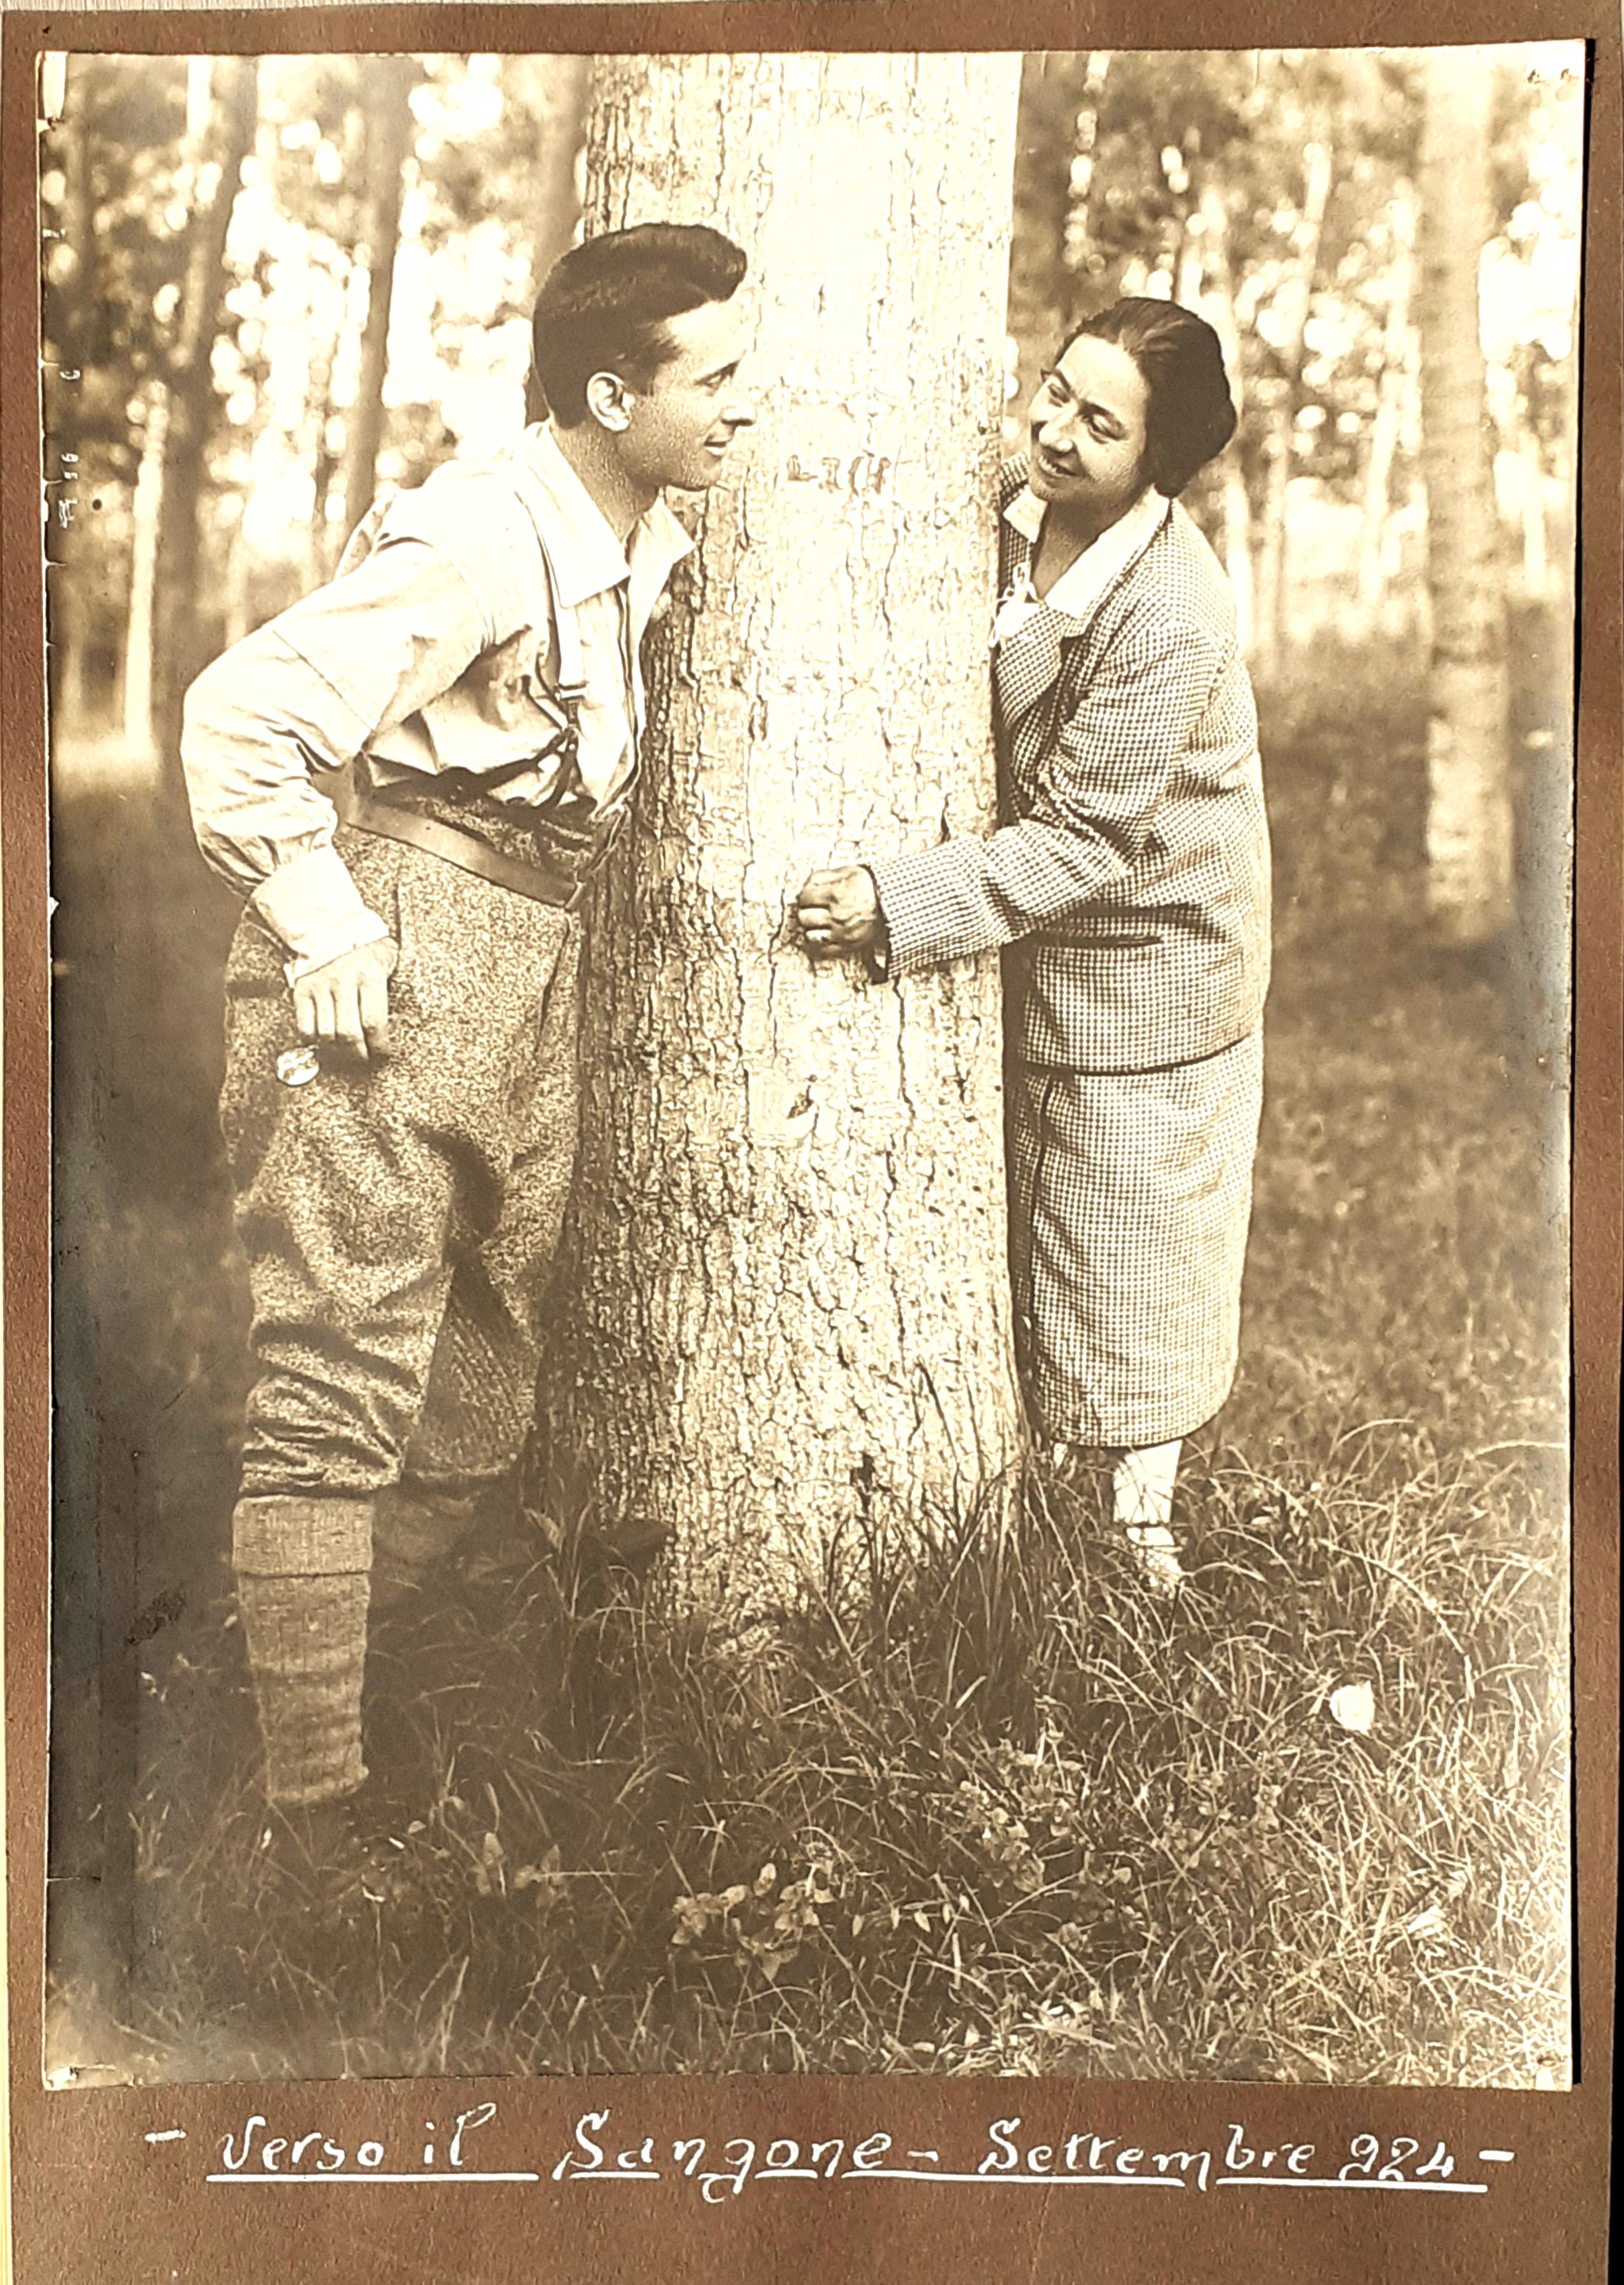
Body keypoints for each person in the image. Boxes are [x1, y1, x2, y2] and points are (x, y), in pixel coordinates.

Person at [181, 224, 756, 1856]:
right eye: (713, 381)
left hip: (526, 952)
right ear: (605, 391)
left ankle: (310, 1705)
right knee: (344, 1351)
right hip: (398, 944)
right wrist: (329, 923)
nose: (741, 411)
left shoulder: (621, 523)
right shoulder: (484, 538)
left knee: (482, 1368)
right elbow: (241, 719)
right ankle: (307, 1817)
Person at [796, 297, 1270, 1599]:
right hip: (1055, 932)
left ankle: (1138, 1533)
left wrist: (900, 901)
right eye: (1055, 392)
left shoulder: (1169, 608)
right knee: (1039, 1218)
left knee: (1137, 1240)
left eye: (1097, 424)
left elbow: (1086, 839)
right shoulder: (1009, 504)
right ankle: (1053, 1494)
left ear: (1155, 464)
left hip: (1159, 958)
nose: (1054, 430)